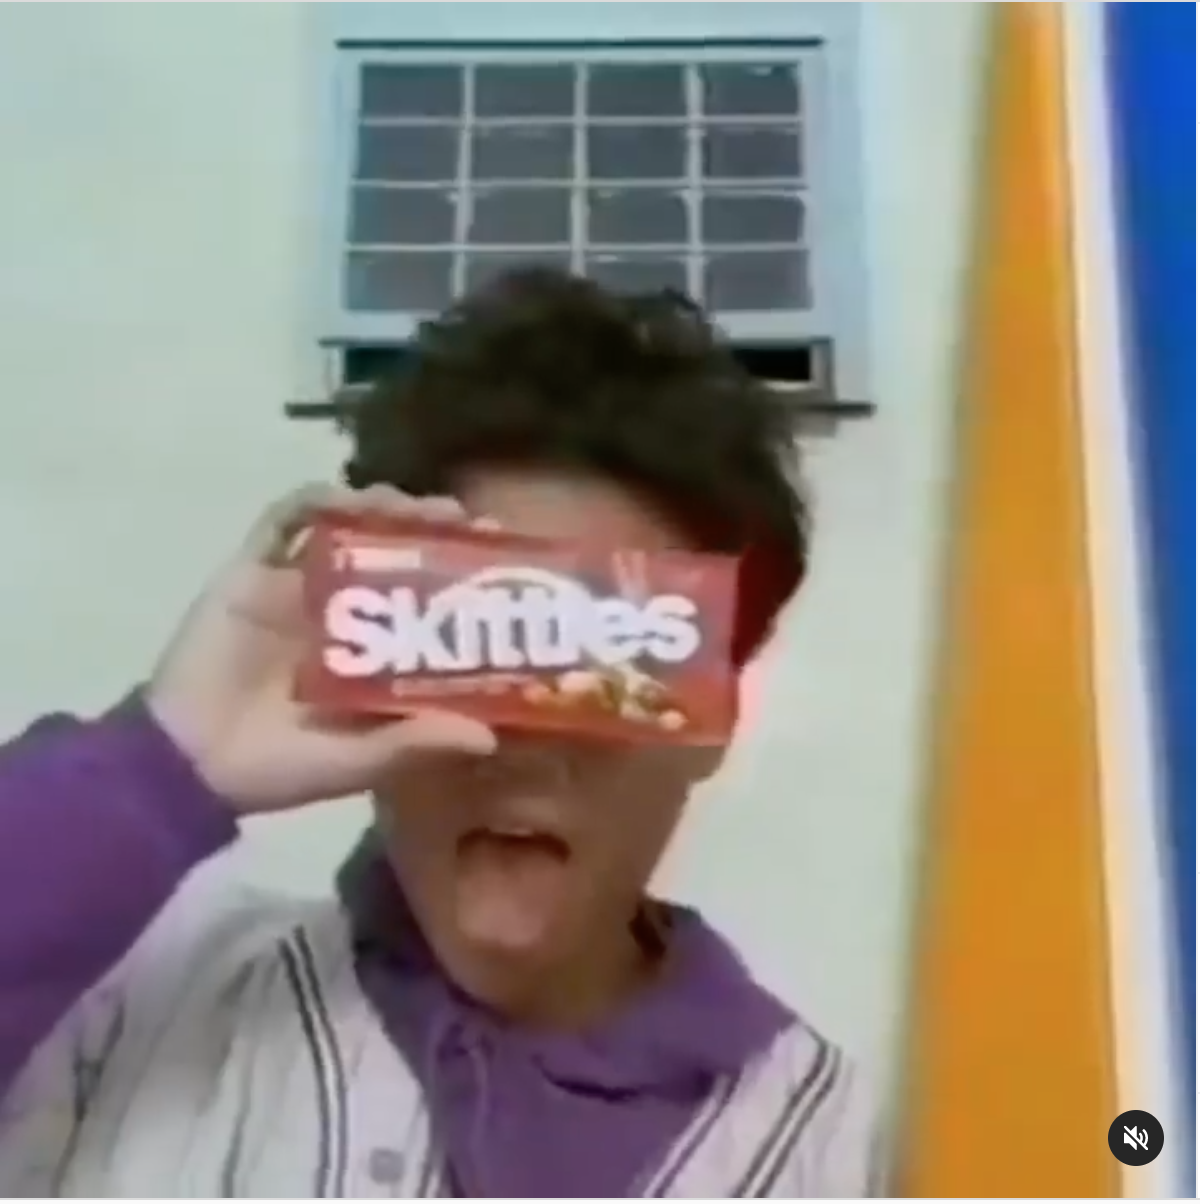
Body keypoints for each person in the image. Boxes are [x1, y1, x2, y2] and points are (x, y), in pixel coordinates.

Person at [0, 270, 877, 1197]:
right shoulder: (135, 992)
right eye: (473, 639)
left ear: (715, 718)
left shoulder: (842, 1146)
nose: (521, 738)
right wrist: (163, 764)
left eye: (607, 659)